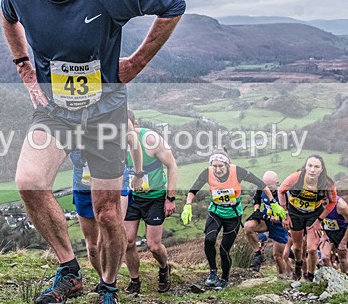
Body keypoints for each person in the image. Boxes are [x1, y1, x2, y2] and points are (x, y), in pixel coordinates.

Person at [2, 0, 184, 304]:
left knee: (106, 215)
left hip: (105, 114)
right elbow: (7, 15)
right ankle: (69, 272)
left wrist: (135, 63)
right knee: (29, 181)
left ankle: (109, 283)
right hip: (57, 111)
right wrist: (24, 67)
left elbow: (173, 4)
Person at [181, 150, 283, 290]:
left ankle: (224, 279)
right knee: (209, 240)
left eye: (221, 166)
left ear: (227, 164)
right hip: (215, 212)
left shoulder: (238, 171)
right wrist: (187, 205)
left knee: (224, 250)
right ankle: (213, 272)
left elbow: (261, 184)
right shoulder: (207, 173)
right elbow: (193, 190)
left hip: (233, 215)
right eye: (214, 166)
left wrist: (273, 202)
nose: (217, 169)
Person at [69, 118, 142, 284]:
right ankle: (103, 279)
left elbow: (134, 145)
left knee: (111, 229)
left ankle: (109, 283)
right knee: (93, 246)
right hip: (83, 184)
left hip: (114, 179)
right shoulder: (67, 115)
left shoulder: (116, 114)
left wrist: (138, 174)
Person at [123, 110, 178, 294]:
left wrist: (170, 198)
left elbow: (172, 166)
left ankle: (164, 268)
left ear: (135, 124)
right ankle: (134, 280)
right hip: (131, 197)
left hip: (154, 196)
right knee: (127, 242)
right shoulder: (114, 144)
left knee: (153, 245)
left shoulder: (151, 140)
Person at [278, 155, 338, 281]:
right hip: (294, 212)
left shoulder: (327, 183)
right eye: (310, 166)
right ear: (305, 167)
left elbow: (332, 202)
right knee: (297, 247)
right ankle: (298, 265)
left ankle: (310, 275)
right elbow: (281, 191)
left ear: (322, 169)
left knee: (311, 248)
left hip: (314, 214)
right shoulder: (296, 178)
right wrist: (285, 214)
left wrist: (319, 220)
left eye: (316, 167)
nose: (312, 170)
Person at [243, 170, 290, 276]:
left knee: (277, 256)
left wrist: (267, 217)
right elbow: (257, 198)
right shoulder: (262, 188)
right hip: (266, 220)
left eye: (270, 187)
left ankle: (283, 277)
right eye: (265, 186)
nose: (267, 189)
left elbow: (282, 216)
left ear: (277, 183)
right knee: (248, 227)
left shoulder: (283, 194)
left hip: (279, 224)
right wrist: (257, 210)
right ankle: (258, 253)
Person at [318, 196, 348, 275]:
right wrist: (324, 234)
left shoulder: (341, 206)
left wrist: (343, 243)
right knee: (325, 258)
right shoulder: (317, 202)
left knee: (342, 259)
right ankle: (333, 279)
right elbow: (320, 219)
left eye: (325, 198)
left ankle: (345, 279)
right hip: (328, 232)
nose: (323, 200)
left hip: (342, 232)